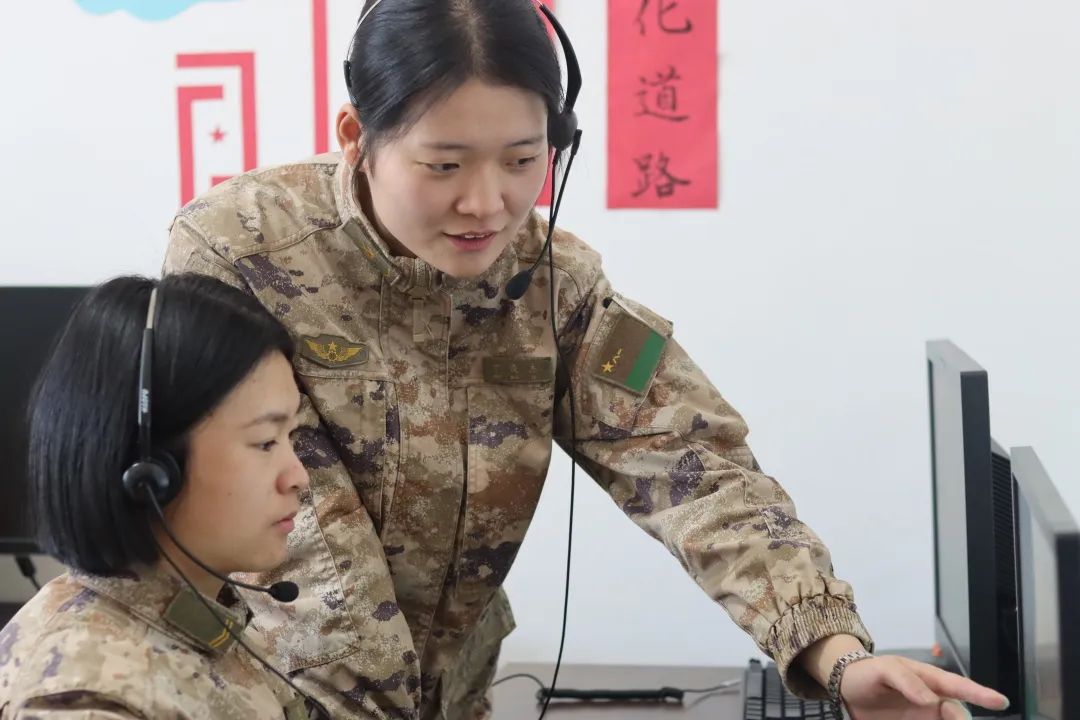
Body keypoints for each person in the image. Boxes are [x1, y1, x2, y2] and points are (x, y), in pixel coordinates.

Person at [161, 1, 1013, 718]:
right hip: (254, 694)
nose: (487, 203)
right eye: (444, 164)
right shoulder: (240, 250)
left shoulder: (553, 285)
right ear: (356, 136)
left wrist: (833, 651)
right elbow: (298, 526)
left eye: (523, 161)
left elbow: (692, 464)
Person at [0, 274, 318, 719]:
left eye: (291, 438)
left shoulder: (198, 618)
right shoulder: (90, 700)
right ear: (151, 469)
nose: (298, 477)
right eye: (265, 442)